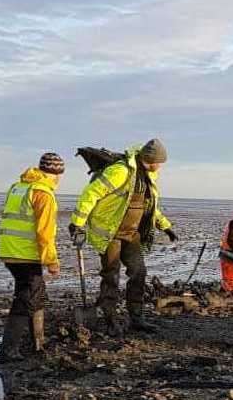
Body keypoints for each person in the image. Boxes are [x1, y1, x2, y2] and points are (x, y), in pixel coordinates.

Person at [68, 139, 177, 334]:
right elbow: (90, 194)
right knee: (112, 275)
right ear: (151, 159)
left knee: (139, 272)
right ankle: (110, 320)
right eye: (160, 161)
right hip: (110, 234)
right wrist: (77, 223)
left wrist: (165, 226)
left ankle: (137, 318)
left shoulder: (149, 177)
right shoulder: (121, 171)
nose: (161, 166)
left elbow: (148, 207)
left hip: (131, 234)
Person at [0, 151, 65, 361]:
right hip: (26, 254)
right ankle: (9, 351)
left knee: (35, 294)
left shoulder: (18, 187)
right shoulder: (44, 194)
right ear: (57, 173)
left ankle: (36, 340)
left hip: (9, 250)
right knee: (26, 299)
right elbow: (44, 233)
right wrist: (52, 261)